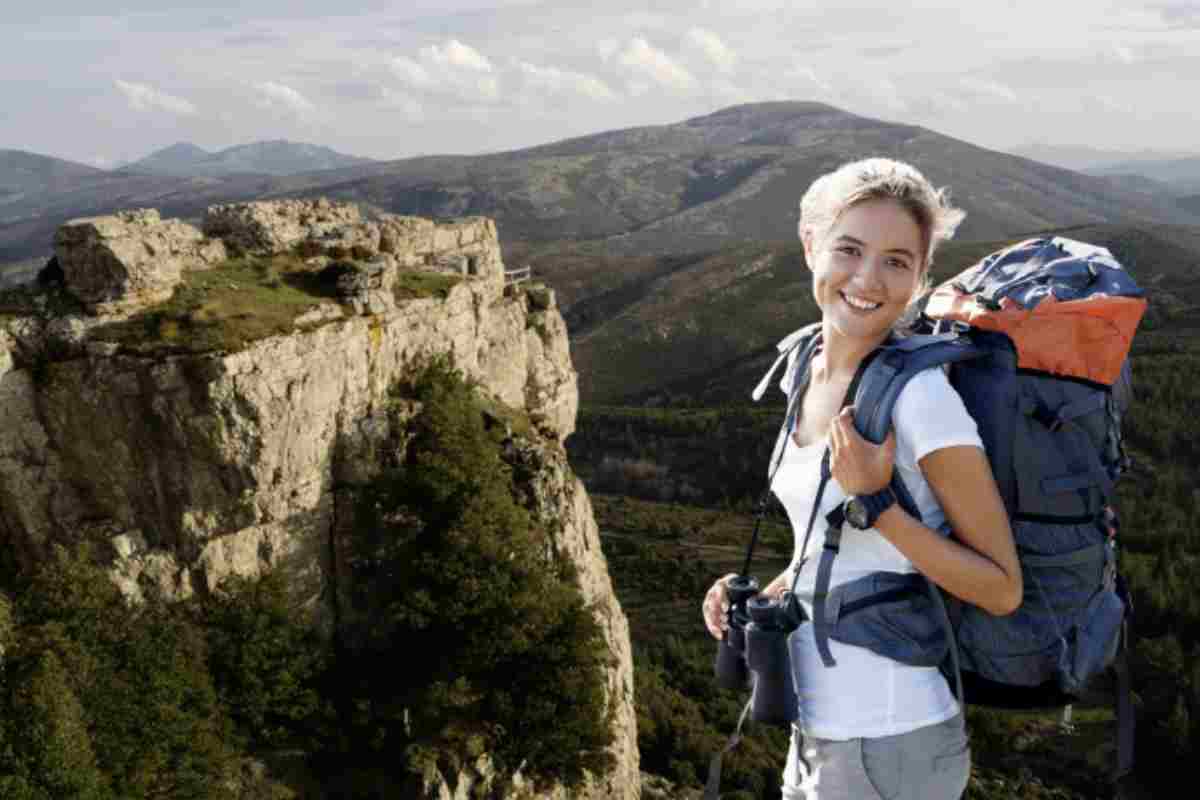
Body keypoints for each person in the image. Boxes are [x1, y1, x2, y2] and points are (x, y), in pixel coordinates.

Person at [701, 158, 1022, 800]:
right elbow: (833, 549)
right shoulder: (802, 369)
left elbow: (1001, 588)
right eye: (849, 249)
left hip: (891, 737)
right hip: (816, 733)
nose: (868, 279)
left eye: (897, 261)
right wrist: (766, 590)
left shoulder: (922, 401)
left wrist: (881, 503)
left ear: (920, 277)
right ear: (810, 247)